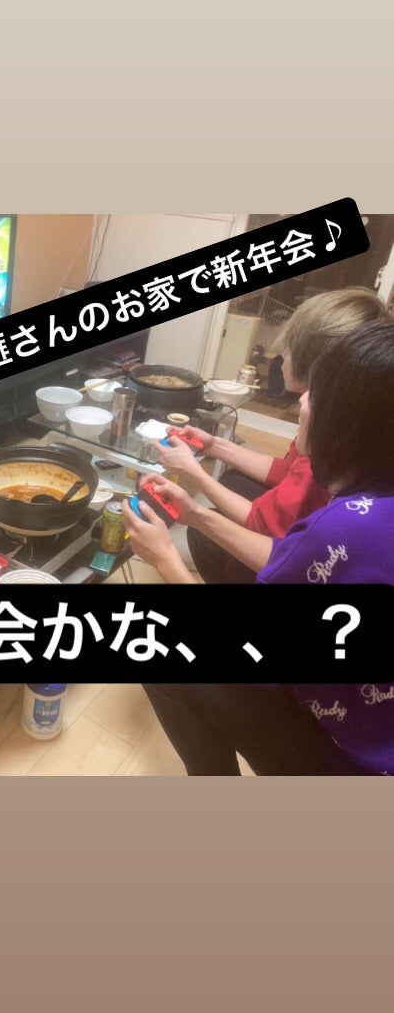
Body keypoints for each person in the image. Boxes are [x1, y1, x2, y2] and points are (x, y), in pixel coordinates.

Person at [121, 319, 394, 775]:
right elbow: (288, 559)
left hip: (355, 764)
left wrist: (165, 558)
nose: (302, 401)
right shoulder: (373, 508)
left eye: (317, 396)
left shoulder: (346, 529)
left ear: (345, 427)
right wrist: (193, 512)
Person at [154, 287, 388, 583]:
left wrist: (164, 556)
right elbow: (287, 469)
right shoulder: (353, 452)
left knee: (210, 540)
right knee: (233, 481)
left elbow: (271, 536)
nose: (302, 401)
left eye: (288, 347)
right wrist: (213, 447)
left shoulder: (335, 523)